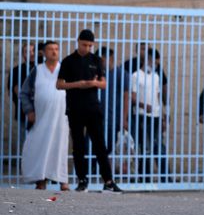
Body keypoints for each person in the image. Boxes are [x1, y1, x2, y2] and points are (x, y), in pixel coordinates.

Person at [56, 29, 122, 193]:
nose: (87, 48)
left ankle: (108, 181)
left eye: (90, 45)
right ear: (78, 42)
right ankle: (82, 181)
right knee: (78, 146)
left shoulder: (96, 60)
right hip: (75, 108)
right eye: (84, 44)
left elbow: (103, 83)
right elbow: (59, 84)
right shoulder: (68, 61)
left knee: (100, 144)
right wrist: (78, 84)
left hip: (93, 108)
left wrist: (92, 83)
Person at [19, 41, 69, 191]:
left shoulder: (65, 69)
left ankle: (62, 180)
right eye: (50, 49)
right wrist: (29, 111)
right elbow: (24, 93)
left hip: (62, 117)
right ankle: (41, 180)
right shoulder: (37, 70)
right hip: (41, 117)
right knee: (39, 146)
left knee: (60, 147)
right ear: (43, 52)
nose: (54, 52)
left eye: (56, 49)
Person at [131, 48, 167, 179]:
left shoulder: (156, 76)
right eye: (155, 62)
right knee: (145, 147)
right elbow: (132, 97)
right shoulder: (136, 76)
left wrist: (162, 116)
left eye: (157, 63)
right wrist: (143, 106)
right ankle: (145, 177)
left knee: (159, 147)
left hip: (156, 117)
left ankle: (165, 177)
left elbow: (158, 97)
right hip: (142, 116)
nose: (156, 65)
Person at [96, 47, 129, 153]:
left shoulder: (120, 74)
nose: (100, 63)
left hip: (112, 120)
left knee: (109, 149)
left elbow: (126, 97)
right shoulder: (97, 75)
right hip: (96, 118)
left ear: (110, 58)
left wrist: (123, 119)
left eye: (102, 60)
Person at [7, 42, 35, 147]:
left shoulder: (43, 69)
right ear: (23, 54)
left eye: (33, 50)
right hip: (23, 112)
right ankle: (23, 163)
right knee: (24, 143)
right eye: (27, 51)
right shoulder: (16, 71)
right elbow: (15, 91)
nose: (31, 54)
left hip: (43, 112)